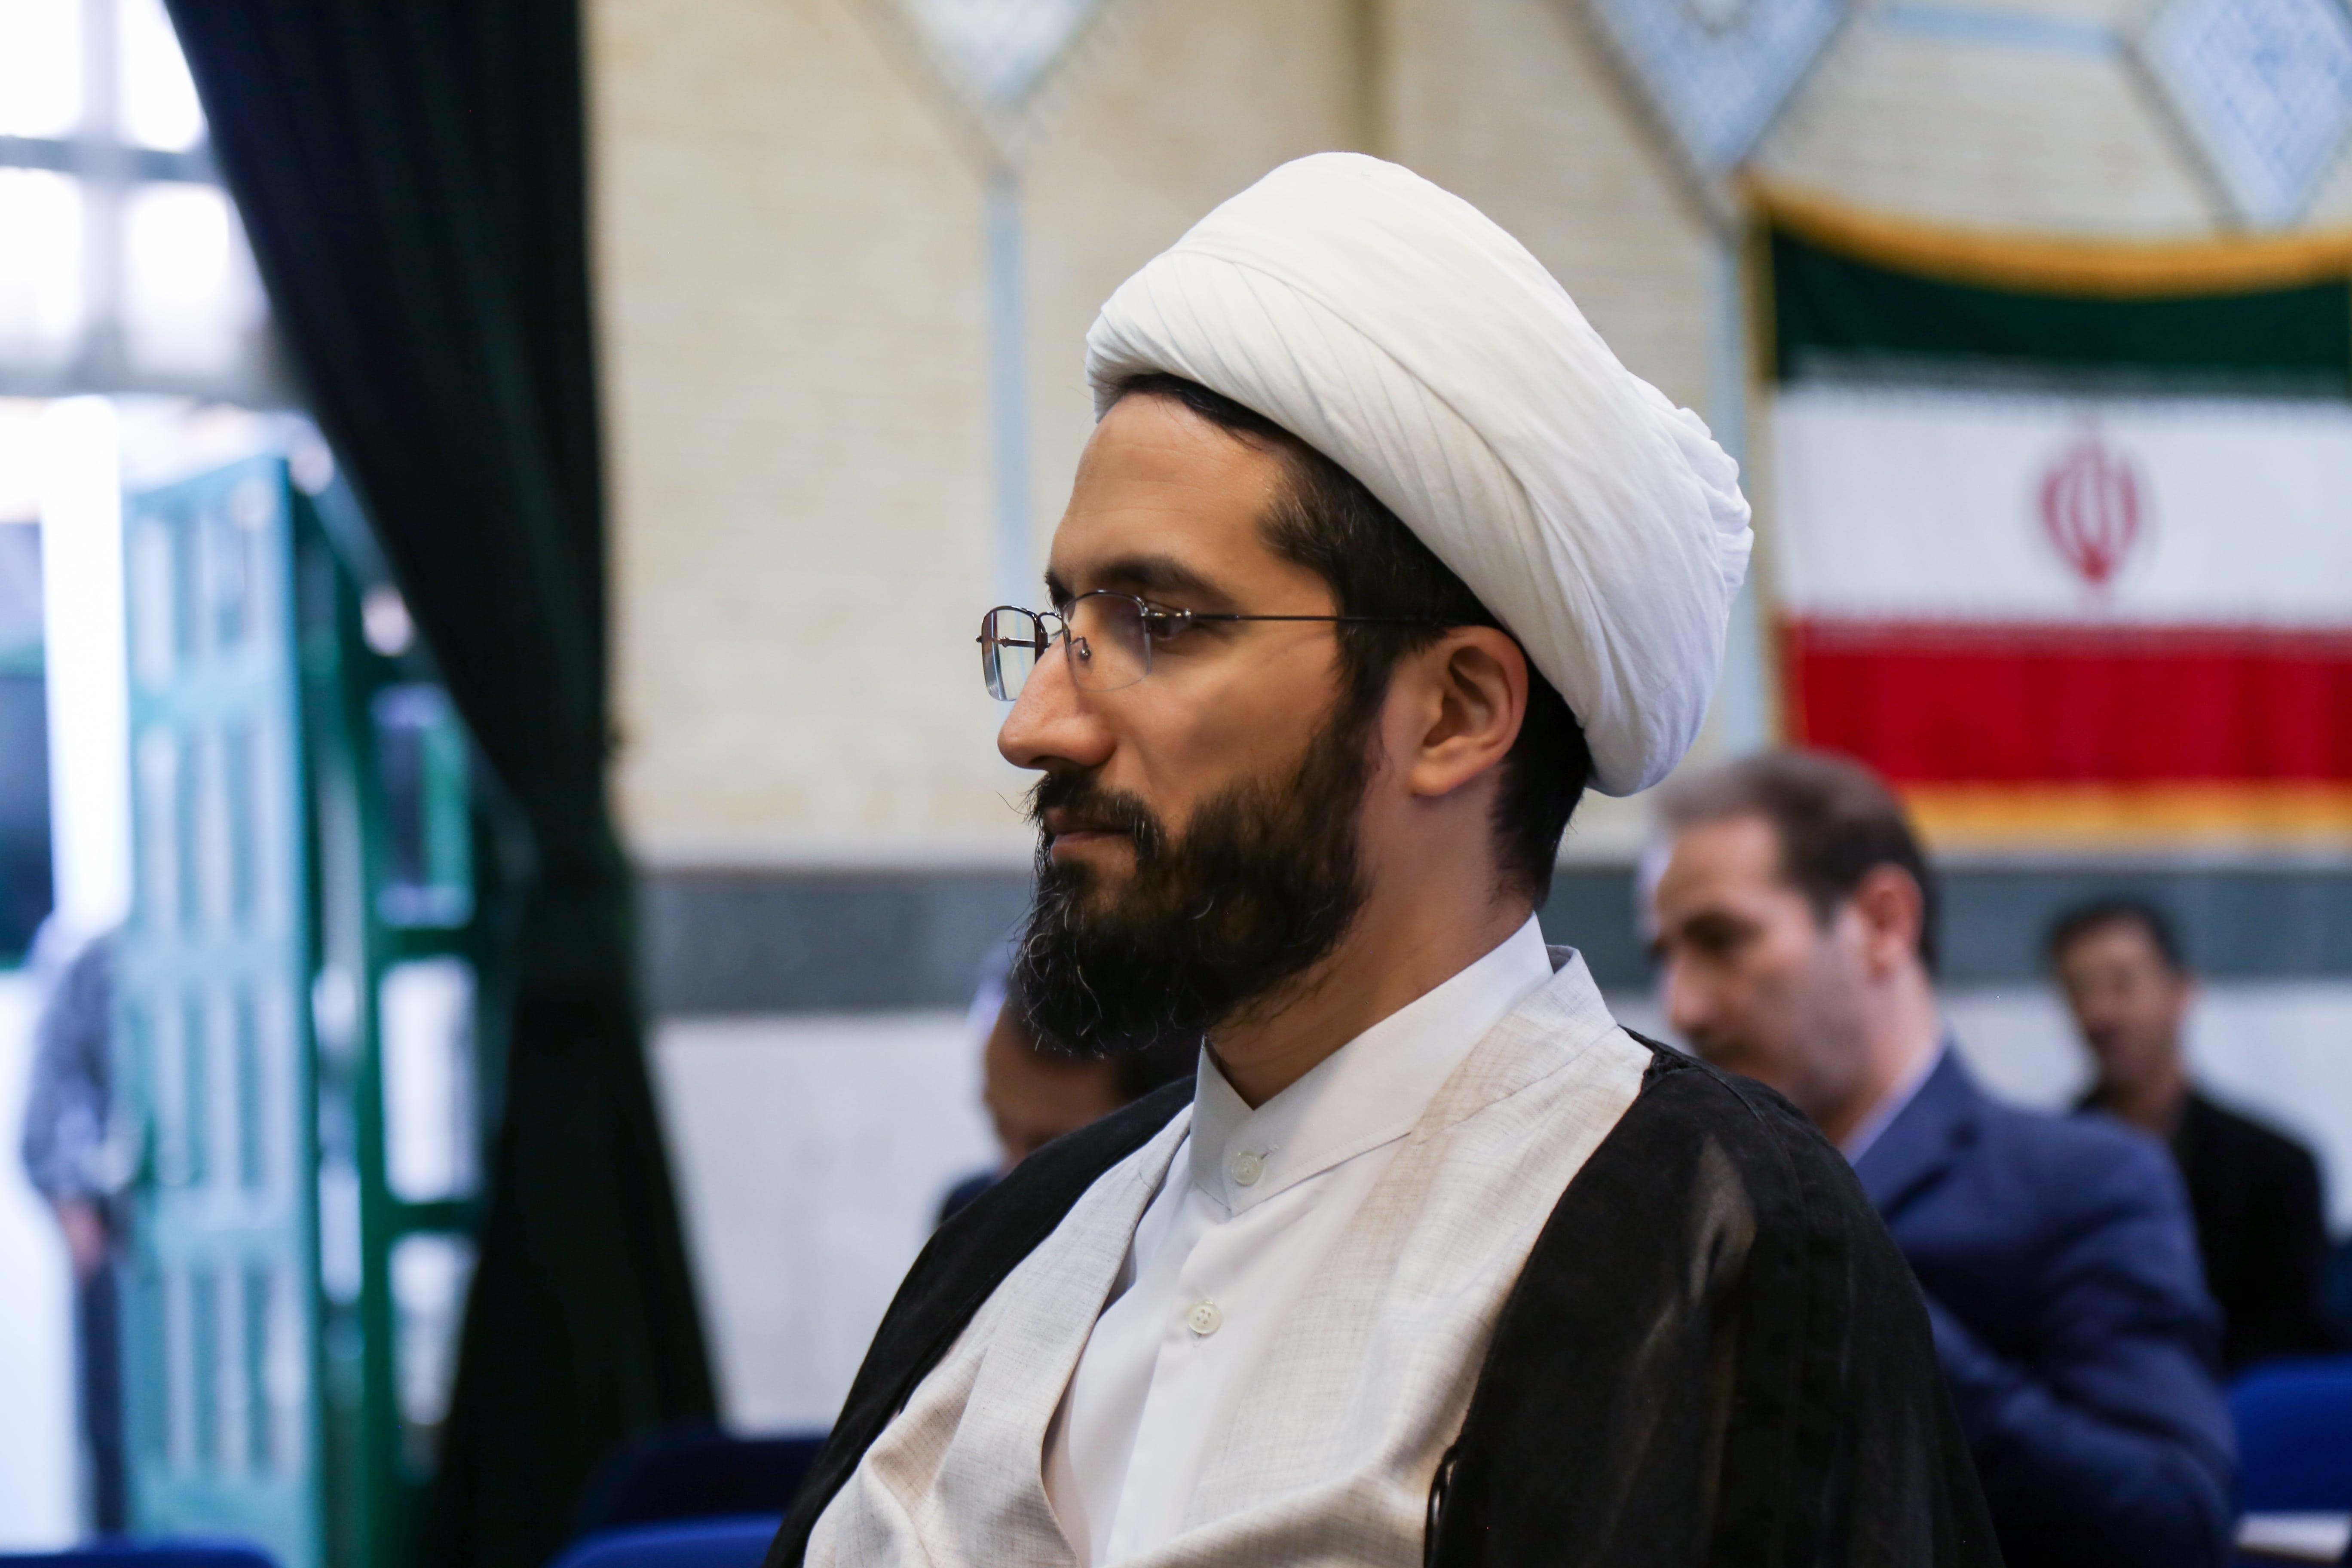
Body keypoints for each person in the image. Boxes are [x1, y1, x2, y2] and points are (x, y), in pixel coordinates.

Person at [763, 154, 1996, 1568]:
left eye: (1160, 622)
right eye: (1060, 625)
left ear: (1455, 712)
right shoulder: (1022, 1235)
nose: (1037, 723)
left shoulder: (1709, 1235)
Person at [1648, 750, 2234, 1568]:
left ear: (1882, 924)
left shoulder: (2082, 1179)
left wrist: (1858, 1289)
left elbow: (2172, 1520)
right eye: (1664, 957)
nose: (1684, 1006)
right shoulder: (1682, 1201)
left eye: (1722, 939)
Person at [2051, 896, 2340, 1372]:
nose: (2100, 1012)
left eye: (2122, 983)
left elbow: (2287, 1339)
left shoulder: (2278, 1168)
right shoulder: (2043, 1167)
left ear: (2180, 991)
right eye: (2079, 989)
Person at [18, 923, 126, 1533]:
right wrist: (81, 1222)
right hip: (124, 1253)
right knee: (118, 1442)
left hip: (235, 1262)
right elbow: (43, 1127)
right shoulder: (91, 953)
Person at [937, 974, 1194, 1224]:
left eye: (1048, 1149)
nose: (1011, 1177)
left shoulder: (1189, 1235)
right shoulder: (964, 1220)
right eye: (999, 1125)